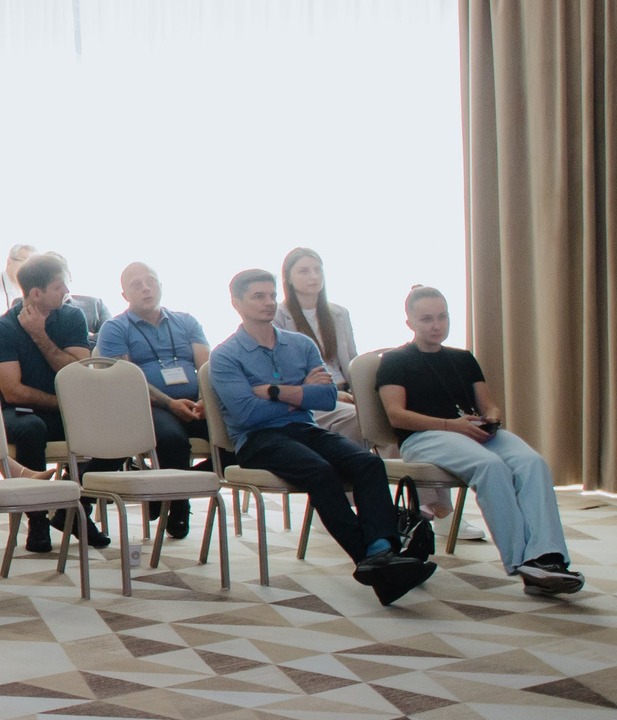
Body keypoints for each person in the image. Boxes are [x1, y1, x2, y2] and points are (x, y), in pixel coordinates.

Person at [212, 268, 432, 605]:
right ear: (236, 303)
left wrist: (272, 392)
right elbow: (246, 414)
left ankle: (380, 551)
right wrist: (301, 393)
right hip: (257, 440)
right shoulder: (226, 355)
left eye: (272, 295)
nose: (269, 302)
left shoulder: (300, 345)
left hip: (305, 429)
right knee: (321, 473)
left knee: (368, 464)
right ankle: (371, 559)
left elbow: (327, 398)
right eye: (258, 296)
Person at [376, 287, 578, 596]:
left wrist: (491, 419)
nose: (436, 325)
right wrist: (451, 426)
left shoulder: (463, 358)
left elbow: (490, 405)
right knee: (490, 466)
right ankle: (524, 562)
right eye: (427, 319)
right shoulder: (395, 360)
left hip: (472, 431)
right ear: (410, 323)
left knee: (532, 462)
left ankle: (547, 556)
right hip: (425, 437)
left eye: (442, 317)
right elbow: (397, 416)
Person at [0, 253, 103, 554]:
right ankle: (37, 519)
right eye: (59, 286)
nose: (67, 292)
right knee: (31, 428)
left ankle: (73, 509)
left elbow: (78, 371)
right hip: (18, 414)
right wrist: (63, 404)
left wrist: (40, 336)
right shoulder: (2, 328)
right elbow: (13, 393)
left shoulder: (72, 316)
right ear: (36, 294)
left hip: (62, 409)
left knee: (107, 428)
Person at [92, 263, 211, 540]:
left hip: (197, 403)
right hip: (149, 406)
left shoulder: (187, 321)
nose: (146, 288)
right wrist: (171, 403)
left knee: (239, 441)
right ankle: (179, 506)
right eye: (137, 284)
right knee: (172, 440)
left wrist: (205, 399)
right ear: (125, 295)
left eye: (152, 281)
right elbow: (126, 380)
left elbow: (206, 367)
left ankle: (165, 489)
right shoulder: (116, 328)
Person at [277, 248, 362, 439]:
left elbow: (351, 359)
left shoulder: (339, 313)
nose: (314, 276)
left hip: (346, 390)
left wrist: (360, 393)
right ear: (288, 278)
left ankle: (393, 469)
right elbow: (284, 371)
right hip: (312, 397)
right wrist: (330, 394)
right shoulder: (278, 317)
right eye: (304, 271)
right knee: (359, 418)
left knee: (385, 416)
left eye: (318, 269)